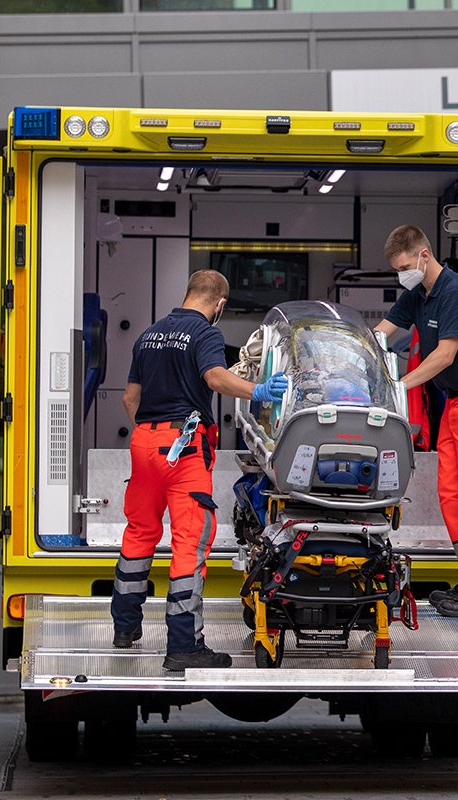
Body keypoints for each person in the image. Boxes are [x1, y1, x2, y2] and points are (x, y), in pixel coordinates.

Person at [110, 269, 288, 670]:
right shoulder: (205, 333)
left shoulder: (148, 335)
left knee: (139, 532)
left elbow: (129, 398)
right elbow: (215, 377)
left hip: (145, 443)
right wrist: (257, 390)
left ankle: (125, 627)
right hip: (184, 448)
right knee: (189, 545)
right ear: (220, 304)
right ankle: (184, 646)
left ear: (188, 292)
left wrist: (152, 437)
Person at [373, 225, 458, 617]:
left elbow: (445, 355)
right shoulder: (419, 295)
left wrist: (397, 385)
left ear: (424, 256)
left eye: (404, 266)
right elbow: (383, 332)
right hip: (455, 405)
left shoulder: (457, 292)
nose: (402, 275)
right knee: (450, 493)